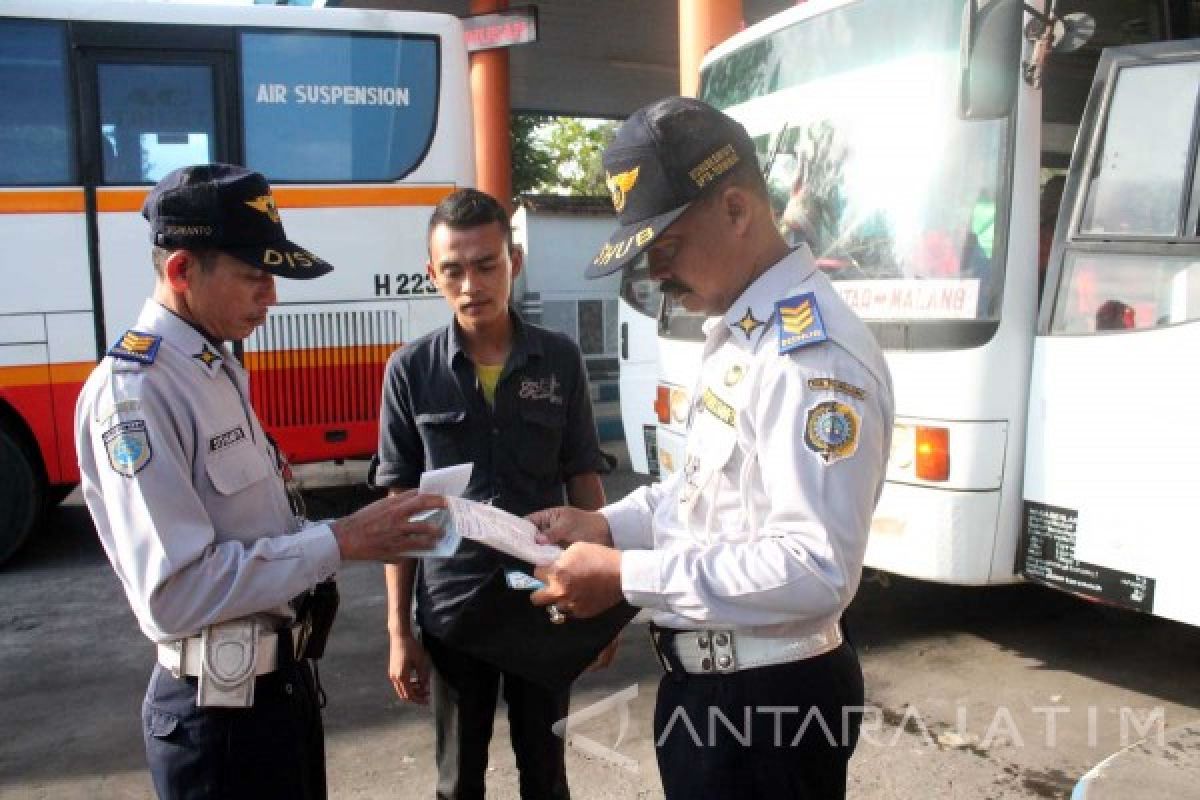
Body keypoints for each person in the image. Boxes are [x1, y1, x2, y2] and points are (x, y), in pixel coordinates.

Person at [527, 97, 896, 799]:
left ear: (736, 209)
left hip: (769, 706)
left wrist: (627, 575)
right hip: (714, 694)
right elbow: (698, 493)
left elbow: (816, 567)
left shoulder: (810, 357)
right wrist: (608, 526)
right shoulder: (743, 333)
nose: (658, 273)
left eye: (665, 248)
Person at [74, 163, 448, 800]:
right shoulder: (136, 392)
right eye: (254, 276)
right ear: (182, 271)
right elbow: (176, 594)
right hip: (218, 723)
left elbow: (254, 528)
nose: (271, 296)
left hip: (277, 695)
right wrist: (341, 540)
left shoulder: (208, 363)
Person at [375, 188, 611, 800]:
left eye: (487, 265)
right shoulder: (410, 372)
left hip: (543, 600)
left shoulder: (559, 361)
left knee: (545, 776)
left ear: (515, 260)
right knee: (457, 783)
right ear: (432, 274)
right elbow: (399, 511)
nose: (471, 285)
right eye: (453, 270)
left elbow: (585, 480)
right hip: (455, 614)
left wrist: (606, 598)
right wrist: (400, 632)